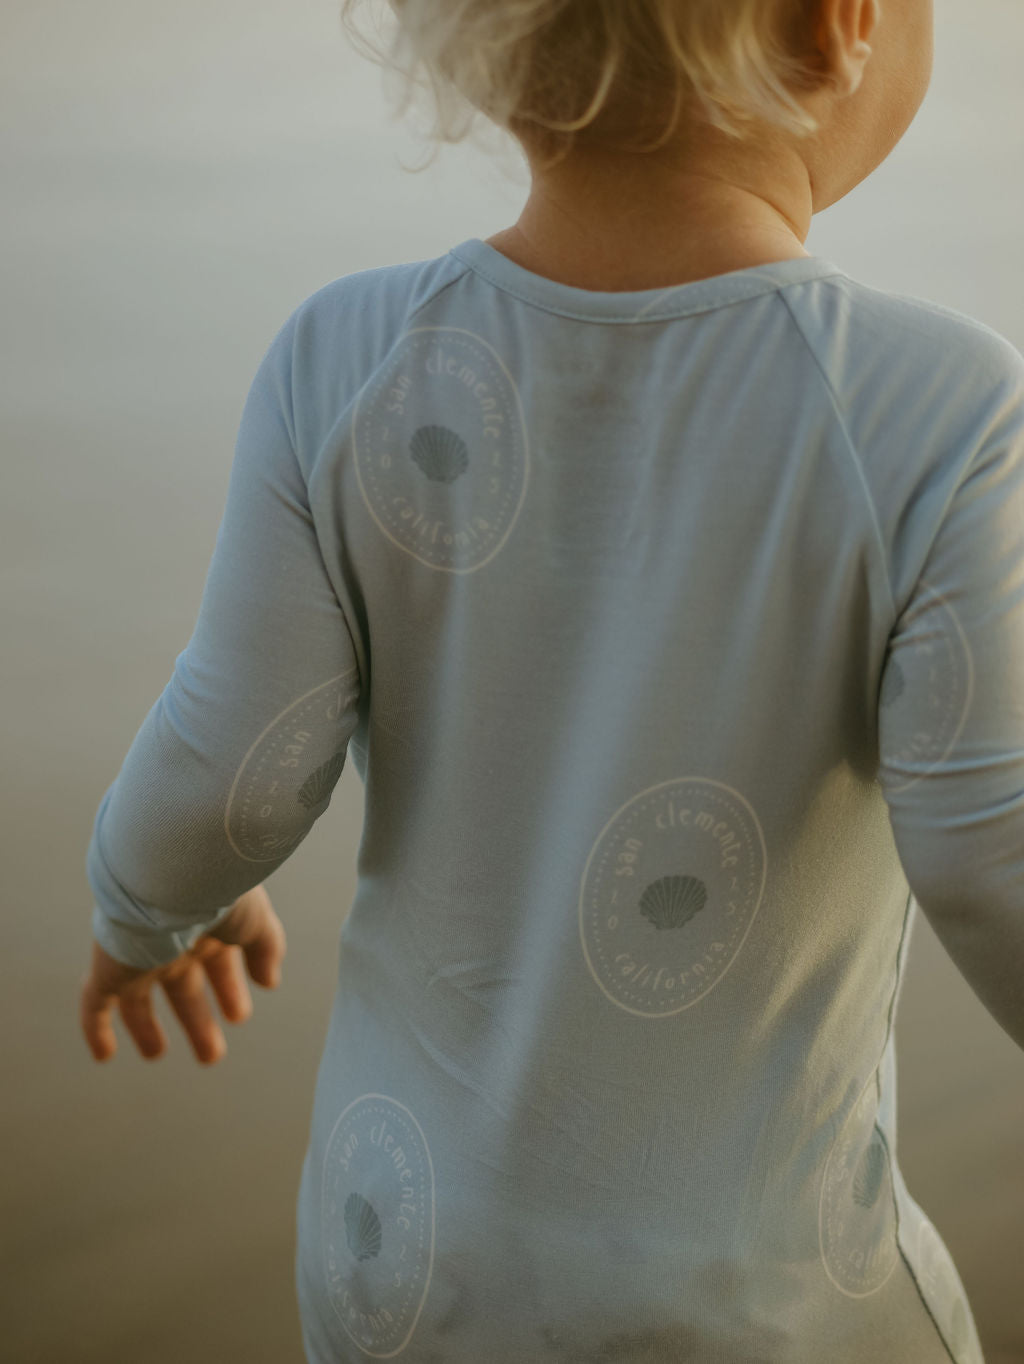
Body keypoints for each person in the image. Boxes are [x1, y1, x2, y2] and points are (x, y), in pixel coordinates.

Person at [80, 0, 1023, 1359]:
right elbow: (994, 865)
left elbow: (228, 776)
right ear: (840, 25)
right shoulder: (936, 416)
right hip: (761, 1310)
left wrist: (145, 910)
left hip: (402, 1276)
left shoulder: (345, 362)